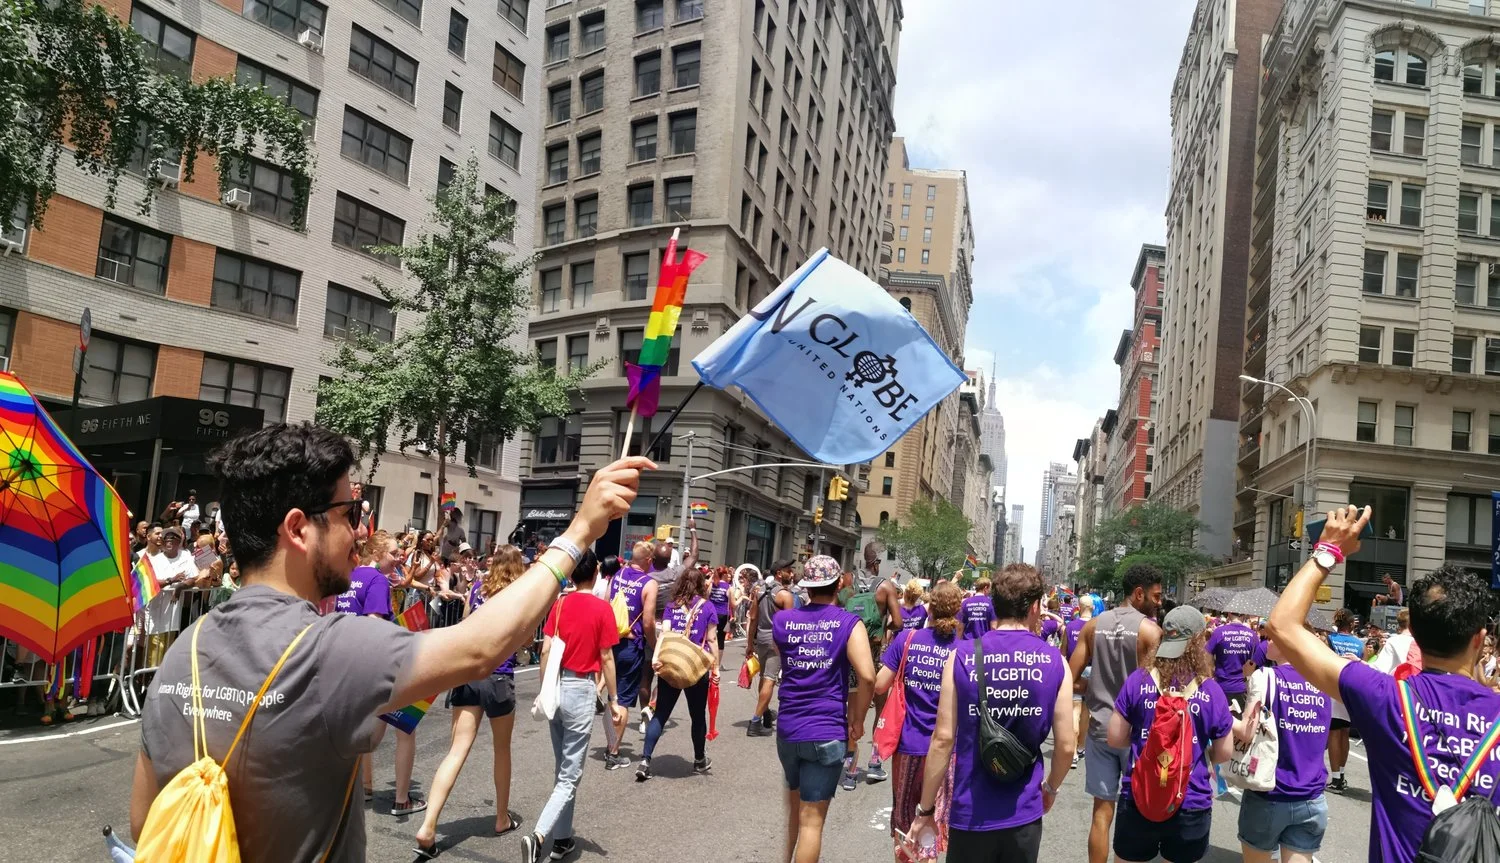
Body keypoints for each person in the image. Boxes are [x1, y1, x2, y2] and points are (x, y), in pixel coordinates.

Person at [130, 422, 652, 862]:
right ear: (298, 528)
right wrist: (579, 532)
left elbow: (142, 822)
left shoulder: (183, 652)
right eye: (350, 513)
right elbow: (482, 646)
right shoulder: (328, 649)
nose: (360, 533)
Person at [1268, 505, 1500, 863]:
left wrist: (1328, 550)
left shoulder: (1384, 696)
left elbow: (1282, 625)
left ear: (1413, 633)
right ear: (1479, 639)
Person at [907, 564, 1075, 863]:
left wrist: (925, 809)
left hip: (971, 811)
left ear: (994, 605)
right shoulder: (1055, 661)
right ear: (1035, 607)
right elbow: (1065, 744)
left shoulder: (961, 656)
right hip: (1024, 813)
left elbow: (942, 739)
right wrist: (1050, 788)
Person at [414, 545, 527, 858]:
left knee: (456, 750)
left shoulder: (478, 589)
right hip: (499, 677)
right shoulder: (518, 596)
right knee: (502, 750)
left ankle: (428, 824)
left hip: (469, 674)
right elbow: (525, 638)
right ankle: (501, 818)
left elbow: (465, 626)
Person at [522, 549, 628, 863]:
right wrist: (614, 699)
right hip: (581, 688)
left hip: (557, 685)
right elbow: (607, 658)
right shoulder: (602, 608)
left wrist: (544, 688)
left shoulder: (560, 603)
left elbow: (546, 650)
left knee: (562, 769)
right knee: (569, 775)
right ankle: (540, 835)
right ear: (595, 573)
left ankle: (562, 838)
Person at [1106, 605, 1231, 863]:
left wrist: (1146, 740)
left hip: (1140, 793)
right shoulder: (1211, 690)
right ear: (1199, 640)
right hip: (1191, 799)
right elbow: (1224, 753)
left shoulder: (1138, 680)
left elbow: (1115, 737)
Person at [773, 555, 875, 863]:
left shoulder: (783, 621)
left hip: (789, 729)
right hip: (827, 730)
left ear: (806, 586)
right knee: (812, 822)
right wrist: (858, 720)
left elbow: (784, 657)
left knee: (795, 809)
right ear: (839, 584)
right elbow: (868, 675)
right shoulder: (848, 623)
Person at [1069, 564, 1163, 863]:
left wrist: (1093, 685)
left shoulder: (1093, 626)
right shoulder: (1151, 632)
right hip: (1138, 734)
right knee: (1139, 809)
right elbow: (1159, 687)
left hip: (1100, 729)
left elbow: (1070, 677)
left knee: (1101, 812)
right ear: (1139, 594)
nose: (1159, 602)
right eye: (1156, 596)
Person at [876, 581, 960, 862]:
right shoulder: (963, 650)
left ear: (930, 608)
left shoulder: (907, 639)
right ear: (957, 611)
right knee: (929, 824)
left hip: (908, 745)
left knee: (903, 821)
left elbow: (880, 684)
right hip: (946, 751)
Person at [1232, 637, 1331, 863]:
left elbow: (1246, 732)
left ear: (1287, 643)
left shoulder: (1264, 676)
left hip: (1269, 793)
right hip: (1311, 795)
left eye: (1272, 638)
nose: (1266, 643)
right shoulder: (1323, 681)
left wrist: (1223, 717)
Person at [636, 566, 719, 781]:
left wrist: (657, 657)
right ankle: (699, 759)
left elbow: (664, 634)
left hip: (671, 663)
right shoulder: (708, 606)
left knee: (661, 713)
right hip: (695, 667)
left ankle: (645, 760)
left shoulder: (671, 606)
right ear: (701, 584)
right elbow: (711, 639)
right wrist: (716, 668)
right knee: (697, 716)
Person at [604, 541, 657, 768]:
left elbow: (605, 604)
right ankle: (613, 753)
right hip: (630, 646)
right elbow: (648, 622)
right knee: (623, 700)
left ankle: (610, 744)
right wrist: (654, 645)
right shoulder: (649, 583)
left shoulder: (618, 575)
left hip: (611, 642)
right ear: (648, 560)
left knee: (612, 696)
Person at [746, 559, 797, 736]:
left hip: (761, 638)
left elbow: (753, 618)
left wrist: (749, 644)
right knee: (770, 679)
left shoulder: (759, 591)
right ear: (779, 574)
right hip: (776, 641)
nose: (791, 573)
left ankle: (765, 713)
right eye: (788, 570)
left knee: (764, 677)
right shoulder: (785, 596)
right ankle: (755, 722)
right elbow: (789, 625)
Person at [1323, 608, 1364, 793]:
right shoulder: (1359, 643)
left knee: (1334, 733)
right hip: (1351, 689)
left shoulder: (1331, 639)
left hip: (1334, 687)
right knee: (1344, 732)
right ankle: (1341, 774)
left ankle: (1336, 780)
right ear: (1351, 623)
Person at [1064, 593, 1094, 769]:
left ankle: (1074, 752)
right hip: (1092, 670)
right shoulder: (1096, 626)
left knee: (1074, 711)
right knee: (1086, 712)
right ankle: (1081, 746)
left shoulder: (1070, 626)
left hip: (1074, 670)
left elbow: (1063, 650)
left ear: (1079, 607)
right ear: (1092, 608)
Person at [708, 565, 734, 663]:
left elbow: (706, 597)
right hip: (723, 614)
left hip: (711, 613)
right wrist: (741, 598)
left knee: (710, 637)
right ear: (724, 575)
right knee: (721, 638)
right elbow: (733, 604)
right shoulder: (728, 587)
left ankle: (709, 659)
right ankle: (717, 663)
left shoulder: (712, 584)